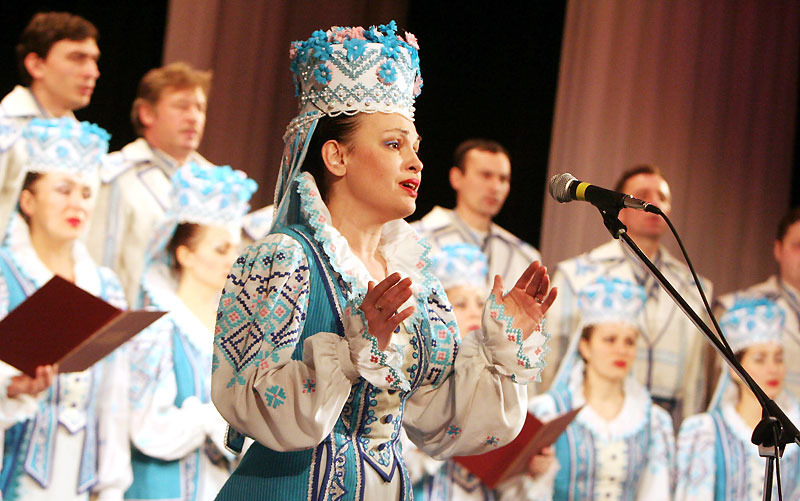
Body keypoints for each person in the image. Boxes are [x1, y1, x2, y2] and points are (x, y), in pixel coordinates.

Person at [210, 22, 557, 500]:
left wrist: (501, 348)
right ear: (336, 156)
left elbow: (439, 421)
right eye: (394, 145)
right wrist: (353, 352)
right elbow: (246, 398)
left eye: (416, 148)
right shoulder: (284, 260)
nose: (415, 163)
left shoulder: (418, 280)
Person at [0, 118, 129, 500]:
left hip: (78, 478)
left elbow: (113, 399)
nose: (77, 203)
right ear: (28, 201)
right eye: (63, 190)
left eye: (87, 193)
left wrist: (110, 489)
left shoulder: (106, 286)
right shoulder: (6, 274)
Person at [125, 162, 256, 500]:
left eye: (235, 248)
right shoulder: (158, 326)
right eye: (220, 249)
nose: (233, 259)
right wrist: (213, 418)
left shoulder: (235, 330)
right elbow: (147, 427)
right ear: (185, 254)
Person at [545, 165, 713, 422]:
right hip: (593, 415)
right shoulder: (579, 275)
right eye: (643, 194)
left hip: (665, 418)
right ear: (620, 205)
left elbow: (695, 377)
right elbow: (553, 357)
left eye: (663, 197)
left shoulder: (692, 286)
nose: (654, 201)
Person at [498, 277, 675, 500]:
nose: (621, 350)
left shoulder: (653, 421)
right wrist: (535, 474)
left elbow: (655, 493)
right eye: (610, 340)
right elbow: (510, 490)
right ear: (585, 347)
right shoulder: (549, 411)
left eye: (629, 342)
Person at [86, 62, 214, 303]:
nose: (193, 117)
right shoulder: (116, 174)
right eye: (181, 106)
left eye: (200, 107)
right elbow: (98, 261)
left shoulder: (216, 182)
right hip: (130, 323)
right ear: (147, 113)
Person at [675, 297, 800, 499]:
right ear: (734, 370)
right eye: (759, 359)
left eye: (778, 358)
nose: (773, 369)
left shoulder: (794, 429)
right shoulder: (708, 431)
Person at [0, 11, 100, 240]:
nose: (92, 72)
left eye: (94, 60)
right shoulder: (6, 129)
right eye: (77, 58)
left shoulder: (86, 140)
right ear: (36, 65)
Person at [406, 243, 494, 501]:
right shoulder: (416, 374)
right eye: (461, 304)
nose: (475, 312)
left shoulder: (494, 375)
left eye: (480, 303)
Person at [412, 139, 541, 289]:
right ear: (456, 177)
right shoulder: (416, 239)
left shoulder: (524, 257)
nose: (496, 187)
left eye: (503, 179)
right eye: (486, 175)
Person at [714, 208, 800, 399]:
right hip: (760, 425)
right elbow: (717, 388)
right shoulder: (739, 308)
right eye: (798, 246)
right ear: (778, 249)